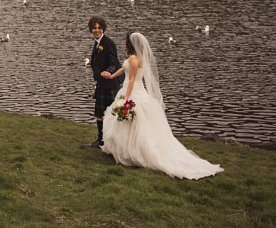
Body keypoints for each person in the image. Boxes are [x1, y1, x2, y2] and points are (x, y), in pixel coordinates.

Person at [101, 32, 223, 179]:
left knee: (133, 123)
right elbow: (125, 69)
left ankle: (133, 153)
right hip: (133, 90)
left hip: (132, 92)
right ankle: (124, 150)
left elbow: (132, 79)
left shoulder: (134, 59)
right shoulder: (137, 58)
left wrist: (126, 99)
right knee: (130, 123)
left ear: (130, 44)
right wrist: (112, 75)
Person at [88, 16, 122, 148]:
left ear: (103, 29)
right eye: (94, 28)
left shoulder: (108, 43)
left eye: (99, 28)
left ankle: (114, 141)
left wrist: (109, 71)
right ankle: (101, 139)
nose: (96, 30)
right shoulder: (97, 43)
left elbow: (114, 62)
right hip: (101, 84)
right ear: (91, 29)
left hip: (110, 84)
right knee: (99, 113)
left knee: (112, 113)